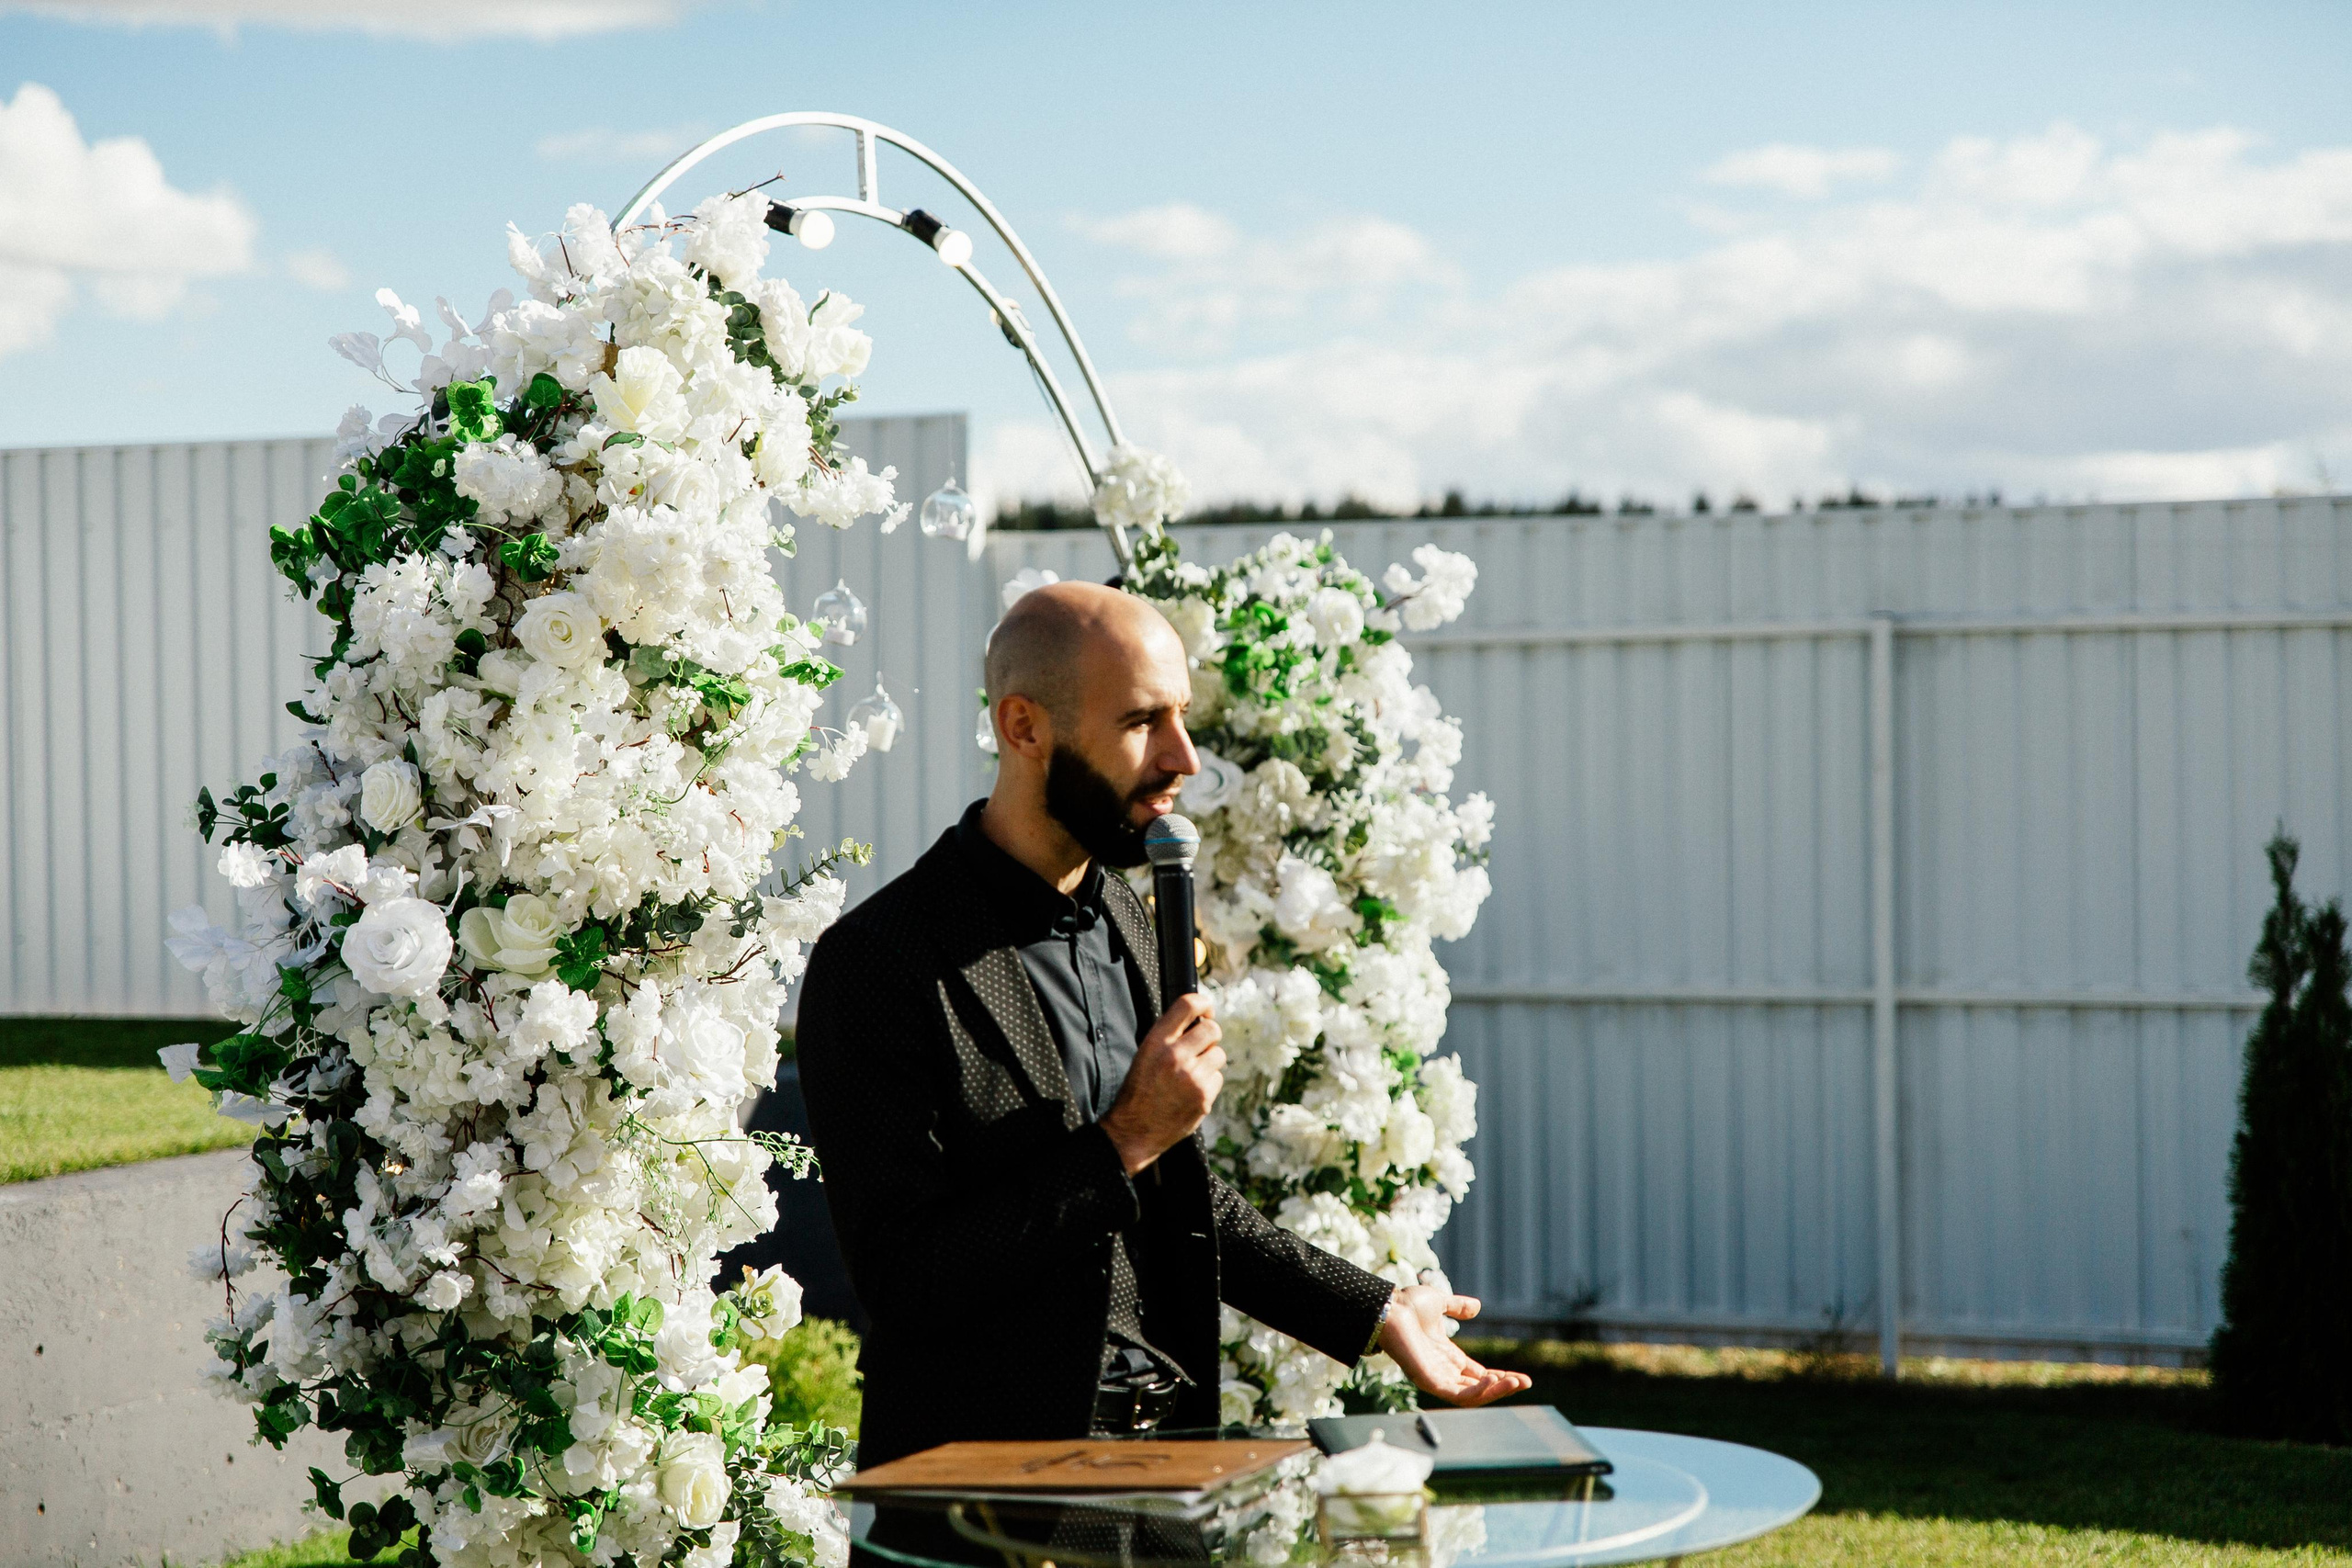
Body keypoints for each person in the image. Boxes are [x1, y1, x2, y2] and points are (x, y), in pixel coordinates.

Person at [795, 581, 1531, 1467]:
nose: (1184, 756)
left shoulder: (1128, 917)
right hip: (984, 1495)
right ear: (1023, 727)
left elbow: (1177, 1189)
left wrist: (1374, 1309)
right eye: (1144, 720)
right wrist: (1126, 1138)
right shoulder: (880, 960)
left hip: (1166, 1468)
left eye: (1182, 715)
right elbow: (906, 1276)